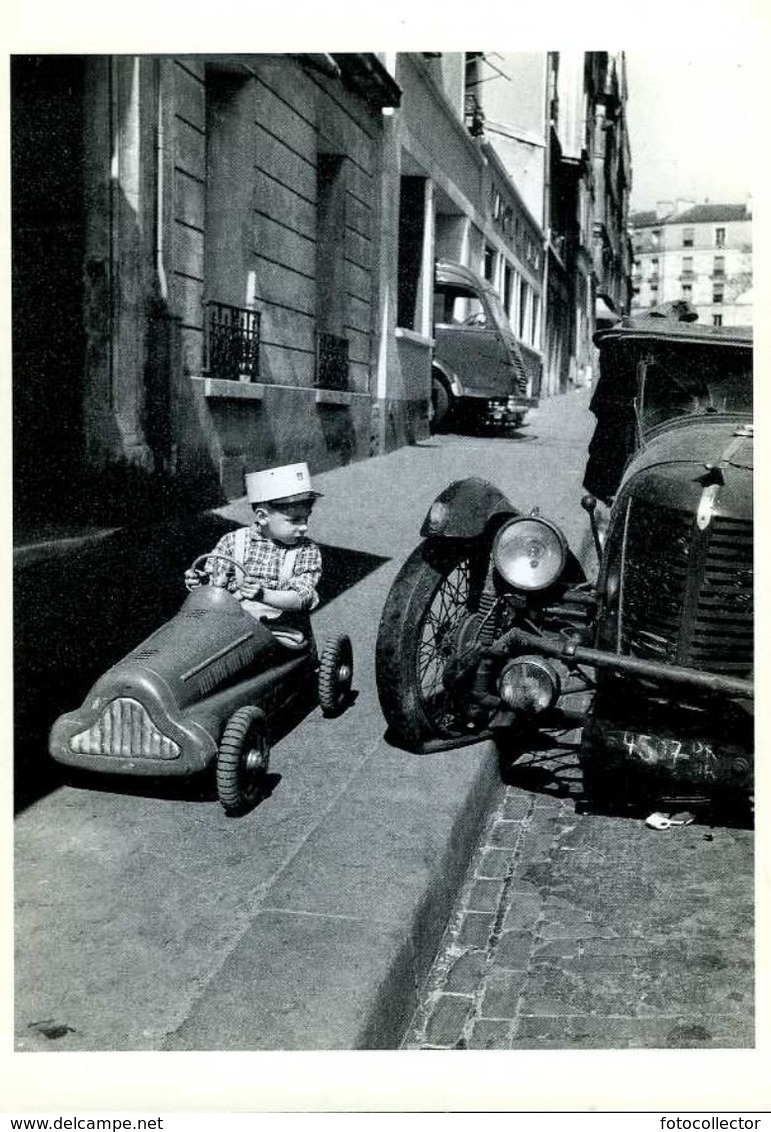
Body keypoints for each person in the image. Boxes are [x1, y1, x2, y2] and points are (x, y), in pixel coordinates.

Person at [185, 462, 323, 643]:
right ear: (263, 517)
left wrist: (263, 595)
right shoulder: (233, 542)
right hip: (230, 624)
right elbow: (215, 586)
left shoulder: (306, 551)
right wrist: (201, 582)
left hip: (281, 631)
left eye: (306, 518)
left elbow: (302, 597)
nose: (304, 527)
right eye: (294, 520)